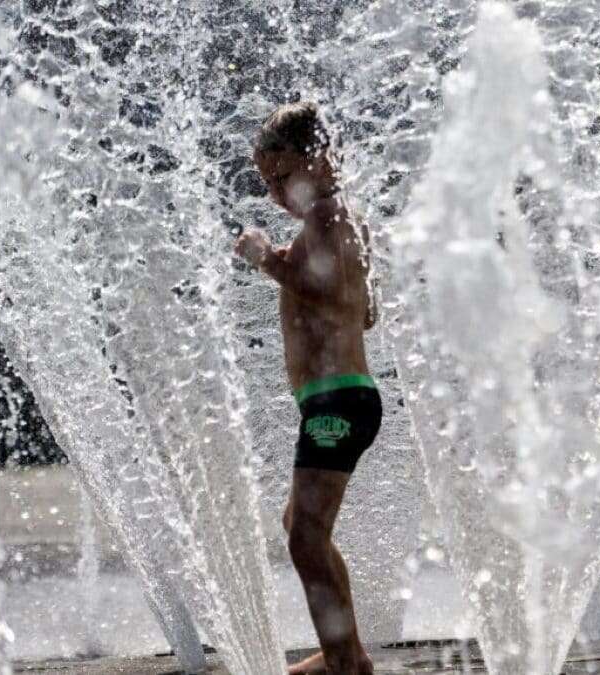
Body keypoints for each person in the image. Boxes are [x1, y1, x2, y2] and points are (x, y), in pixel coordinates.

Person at [234, 101, 380, 675]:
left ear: (318, 159)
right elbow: (363, 311)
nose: (274, 193)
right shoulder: (339, 221)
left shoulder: (327, 218)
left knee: (305, 537)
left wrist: (265, 257)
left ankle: (345, 660)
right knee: (300, 526)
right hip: (336, 399)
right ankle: (347, 653)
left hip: (337, 400)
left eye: (282, 176)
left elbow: (326, 291)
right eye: (267, 183)